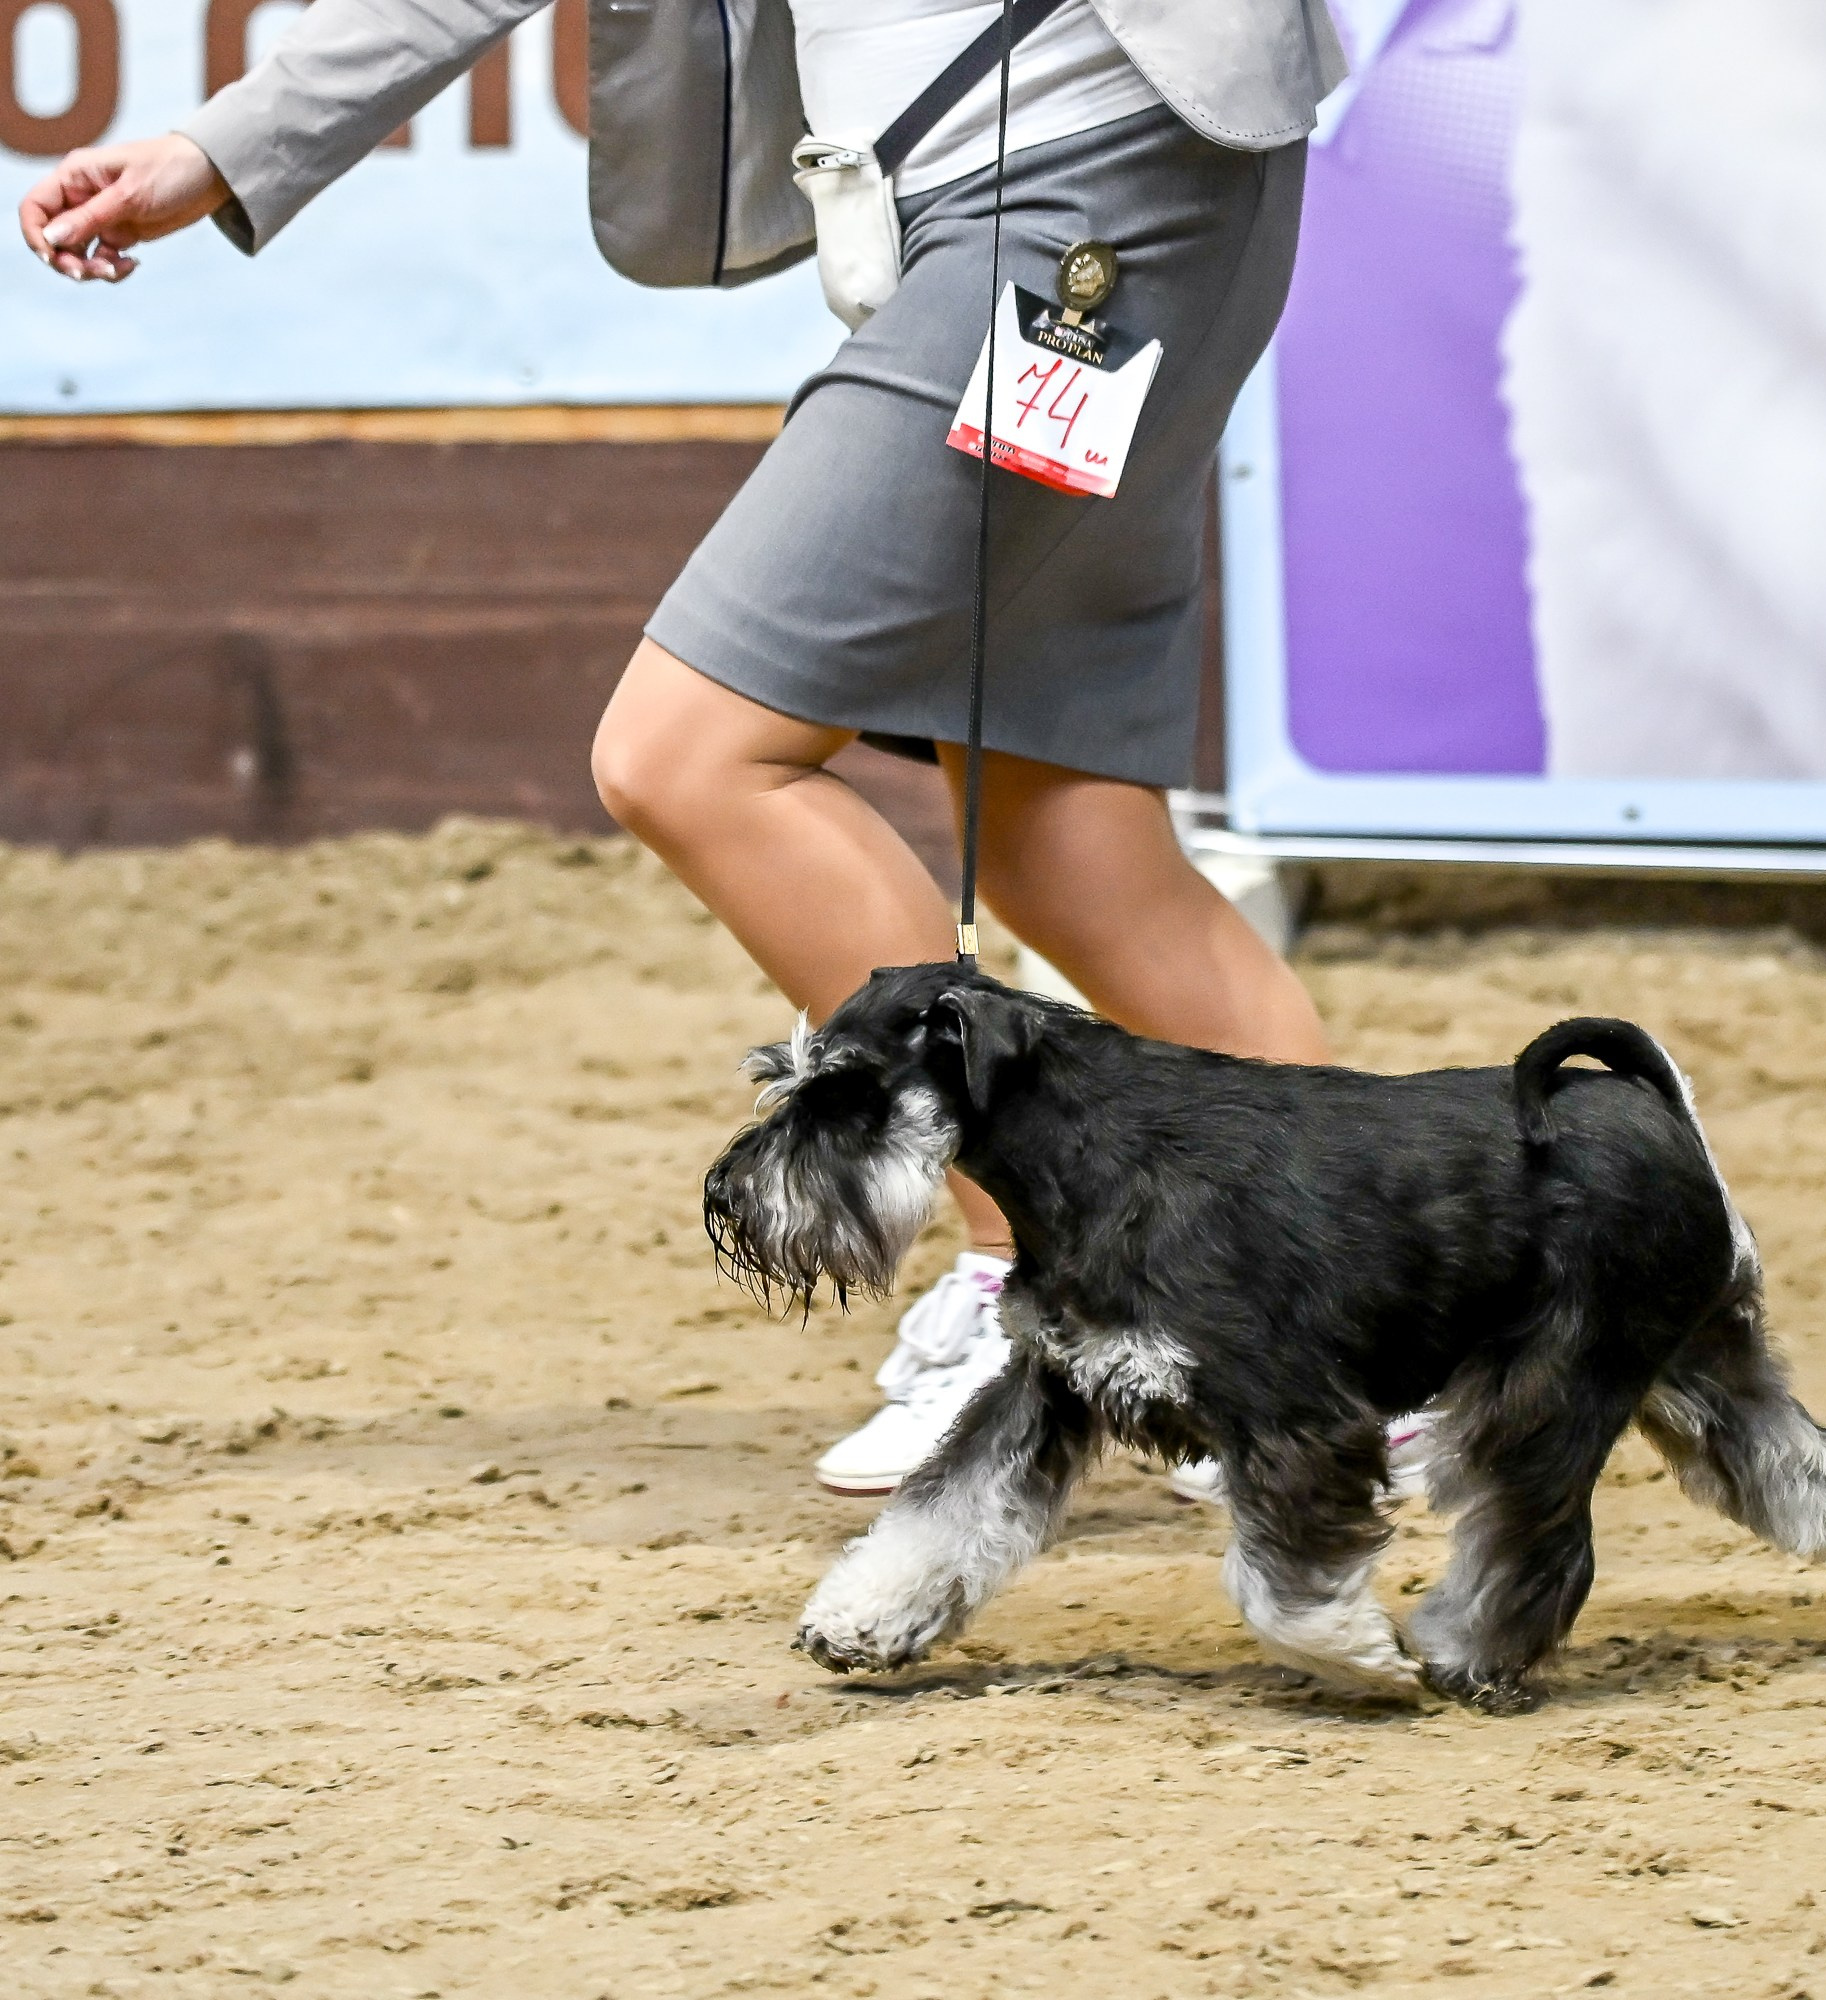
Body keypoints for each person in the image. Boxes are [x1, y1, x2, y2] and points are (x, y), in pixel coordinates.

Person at [18, 0, 1376, 1497]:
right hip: (1022, 194)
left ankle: (1024, 1297)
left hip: (1087, 184)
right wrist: (224, 148)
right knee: (1073, 850)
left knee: (689, 752)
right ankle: (1363, 1334)